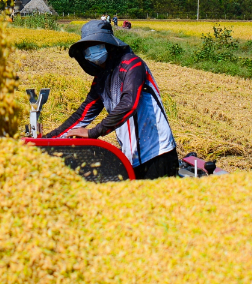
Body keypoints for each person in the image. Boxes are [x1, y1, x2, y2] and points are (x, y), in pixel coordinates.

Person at [44, 20, 178, 179]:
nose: (90, 51)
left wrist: (93, 132)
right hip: (131, 157)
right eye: (87, 48)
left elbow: (128, 105)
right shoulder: (102, 78)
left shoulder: (131, 64)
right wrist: (45, 140)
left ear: (108, 44)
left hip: (157, 154)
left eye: (95, 45)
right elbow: (82, 114)